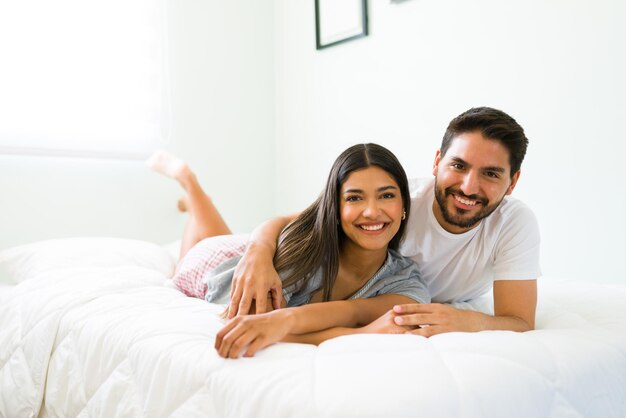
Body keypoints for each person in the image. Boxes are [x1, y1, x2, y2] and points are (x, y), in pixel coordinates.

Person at [228, 107, 541, 337]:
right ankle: (192, 190)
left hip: (390, 295)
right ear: (437, 162)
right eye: (458, 165)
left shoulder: (514, 223)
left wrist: (466, 320)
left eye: (490, 173)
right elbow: (295, 222)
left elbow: (519, 321)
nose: (468, 187)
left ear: (512, 183)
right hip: (269, 253)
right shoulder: (398, 202)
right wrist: (257, 252)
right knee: (211, 249)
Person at [148, 143, 430, 358]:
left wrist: (359, 331)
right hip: (218, 262)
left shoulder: (404, 282)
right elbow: (258, 324)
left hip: (259, 249)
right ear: (334, 208)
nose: (371, 211)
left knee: (212, 227)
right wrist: (258, 252)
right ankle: (189, 182)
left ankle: (193, 205)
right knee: (193, 250)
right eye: (354, 198)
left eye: (387, 195)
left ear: (404, 205)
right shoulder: (303, 254)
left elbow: (352, 311)